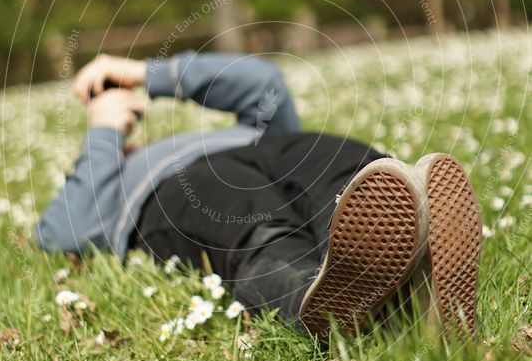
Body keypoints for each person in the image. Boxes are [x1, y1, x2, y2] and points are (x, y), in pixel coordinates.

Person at [36, 50, 482, 337]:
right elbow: (62, 233)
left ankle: (404, 256)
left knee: (336, 164)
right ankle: (344, 305)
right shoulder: (119, 182)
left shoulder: (244, 131)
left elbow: (262, 82)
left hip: (262, 145)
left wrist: (146, 73)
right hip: (175, 190)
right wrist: (104, 133)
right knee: (252, 223)